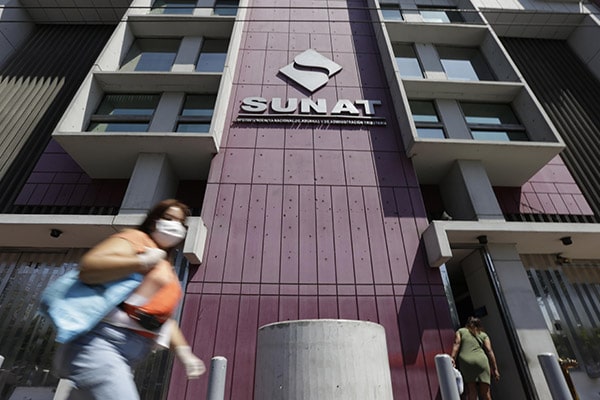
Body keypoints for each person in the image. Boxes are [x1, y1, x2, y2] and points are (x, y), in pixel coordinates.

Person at [53, 199, 206, 399]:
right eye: (168, 218)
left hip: (129, 353)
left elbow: (162, 319)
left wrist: (185, 354)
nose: (174, 226)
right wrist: (142, 261)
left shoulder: (166, 264)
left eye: (180, 222)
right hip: (101, 345)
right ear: (154, 221)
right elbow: (89, 268)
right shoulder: (136, 239)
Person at [450, 317, 500, 400]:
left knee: (472, 391)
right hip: (481, 362)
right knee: (485, 393)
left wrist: (452, 358)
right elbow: (489, 350)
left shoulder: (461, 331)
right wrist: (495, 369)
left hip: (466, 361)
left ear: (467, 324)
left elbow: (456, 343)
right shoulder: (483, 335)